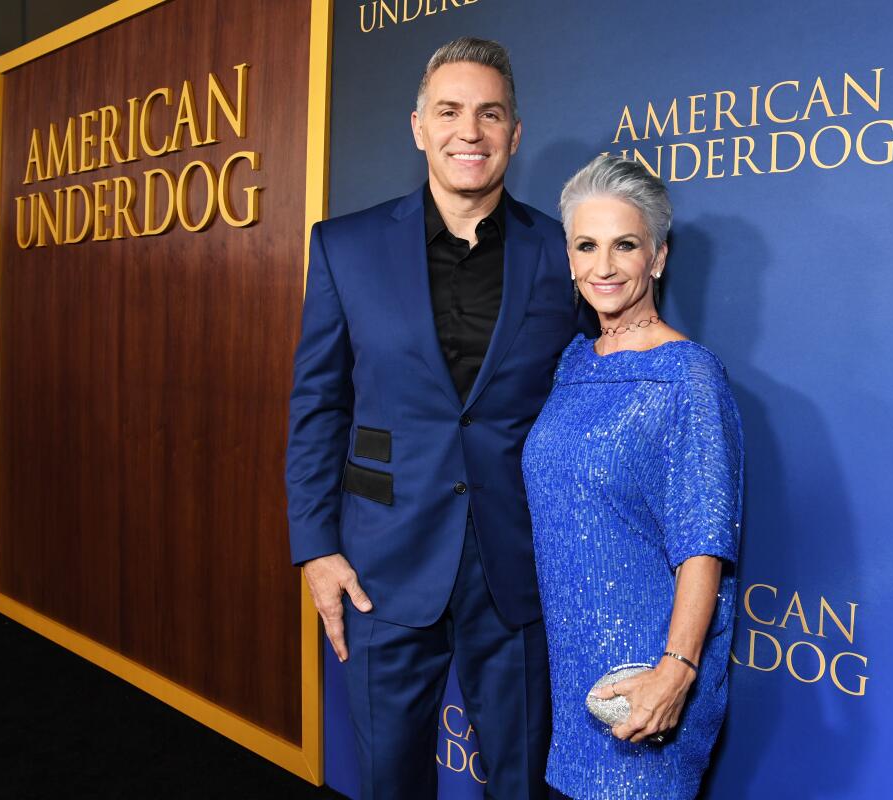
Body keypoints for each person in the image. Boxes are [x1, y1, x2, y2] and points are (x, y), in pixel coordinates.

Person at [285, 38, 579, 800]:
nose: (468, 132)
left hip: (517, 569)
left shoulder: (564, 252)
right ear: (418, 125)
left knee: (521, 784)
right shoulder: (343, 247)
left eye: (490, 114)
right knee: (388, 782)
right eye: (449, 111)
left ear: (515, 132)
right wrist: (316, 549)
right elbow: (320, 404)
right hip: (380, 568)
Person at [522, 155, 744, 800]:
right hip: (571, 668)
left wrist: (673, 673)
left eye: (626, 245)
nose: (605, 266)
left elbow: (704, 543)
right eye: (587, 246)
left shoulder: (688, 376)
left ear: (658, 257)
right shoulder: (574, 362)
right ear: (569, 258)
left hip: (642, 672)